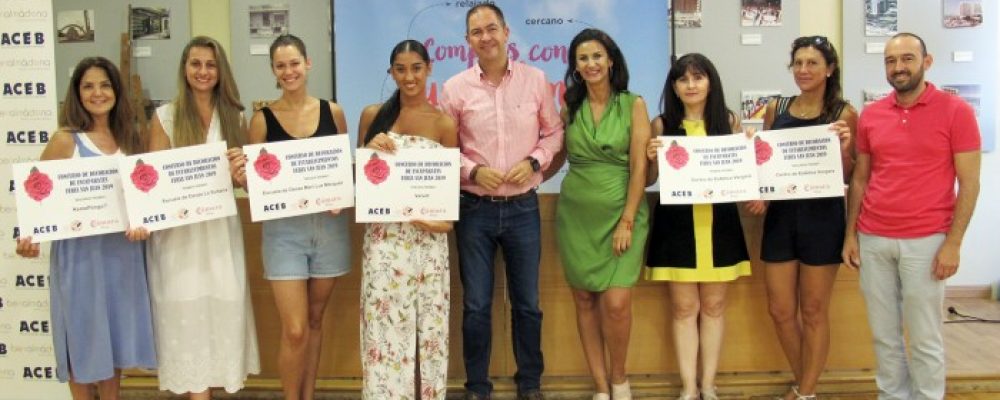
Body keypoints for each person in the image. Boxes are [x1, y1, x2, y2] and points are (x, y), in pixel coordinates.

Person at [841, 32, 981, 400]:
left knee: (924, 336)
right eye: (890, 61)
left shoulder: (957, 112)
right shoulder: (872, 115)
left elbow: (970, 183)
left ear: (926, 62)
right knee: (884, 336)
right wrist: (851, 235)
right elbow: (860, 179)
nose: (898, 67)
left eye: (906, 59)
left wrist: (953, 244)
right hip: (873, 239)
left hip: (927, 241)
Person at [438, 4, 564, 400]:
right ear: (467, 41)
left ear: (507, 32)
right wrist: (473, 171)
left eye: (492, 28)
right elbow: (445, 149)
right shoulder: (454, 88)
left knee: (527, 304)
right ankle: (477, 387)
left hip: (524, 208)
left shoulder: (536, 79)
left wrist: (534, 161)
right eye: (477, 32)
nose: (486, 37)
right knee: (476, 306)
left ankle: (530, 383)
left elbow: (553, 134)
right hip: (474, 209)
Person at [15, 56, 157, 400]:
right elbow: (37, 194)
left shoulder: (131, 139)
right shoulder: (66, 140)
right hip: (80, 257)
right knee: (82, 339)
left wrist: (145, 223)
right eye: (88, 86)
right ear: (77, 94)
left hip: (122, 256)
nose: (97, 93)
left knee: (114, 342)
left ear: (116, 91)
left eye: (105, 85)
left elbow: (144, 200)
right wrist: (28, 235)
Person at [229, 33, 351, 400]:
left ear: (308, 63)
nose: (289, 71)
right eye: (281, 66)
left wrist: (340, 194)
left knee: (315, 321)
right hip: (284, 233)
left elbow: (341, 171)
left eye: (294, 63)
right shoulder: (262, 120)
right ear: (273, 71)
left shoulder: (334, 112)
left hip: (329, 229)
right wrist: (242, 178)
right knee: (295, 328)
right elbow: (257, 187)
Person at [145, 36, 260, 398]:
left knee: (220, 316)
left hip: (220, 235)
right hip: (179, 238)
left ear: (220, 70)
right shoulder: (165, 117)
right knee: (185, 321)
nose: (203, 71)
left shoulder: (235, 116)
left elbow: (244, 181)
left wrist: (242, 176)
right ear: (184, 68)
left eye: (210, 64)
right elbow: (152, 182)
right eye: (195, 64)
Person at [748, 36, 856, 400]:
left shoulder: (843, 113)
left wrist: (842, 148)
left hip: (823, 219)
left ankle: (805, 391)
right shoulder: (775, 107)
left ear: (829, 69)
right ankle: (805, 384)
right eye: (798, 63)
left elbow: (847, 173)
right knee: (779, 310)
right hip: (780, 218)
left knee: (813, 310)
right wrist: (760, 192)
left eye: (812, 63)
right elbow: (765, 163)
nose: (804, 70)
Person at [644, 53, 751, 400]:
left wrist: (751, 150)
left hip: (719, 224)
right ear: (673, 87)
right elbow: (648, 180)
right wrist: (649, 158)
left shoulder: (730, 122)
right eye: (683, 79)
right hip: (677, 226)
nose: (691, 85)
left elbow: (744, 176)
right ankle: (688, 388)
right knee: (684, 309)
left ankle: (709, 385)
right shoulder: (661, 125)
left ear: (710, 82)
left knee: (715, 308)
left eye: (698, 78)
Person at [356, 39, 458, 400]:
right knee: (384, 330)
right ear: (391, 72)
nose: (409, 76)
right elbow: (362, 183)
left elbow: (449, 197)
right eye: (401, 69)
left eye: (416, 67)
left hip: (429, 244)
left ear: (429, 68)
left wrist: (439, 225)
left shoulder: (444, 123)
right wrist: (368, 151)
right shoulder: (372, 116)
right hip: (385, 242)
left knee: (429, 330)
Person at [555, 28, 649, 400]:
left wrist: (627, 219)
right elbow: (558, 155)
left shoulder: (633, 104)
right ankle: (599, 386)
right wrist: (526, 175)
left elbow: (640, 167)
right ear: (575, 67)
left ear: (611, 60)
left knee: (616, 303)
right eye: (583, 58)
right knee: (583, 300)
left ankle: (619, 378)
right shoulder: (569, 106)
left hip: (621, 216)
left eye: (597, 56)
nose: (590, 64)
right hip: (575, 216)